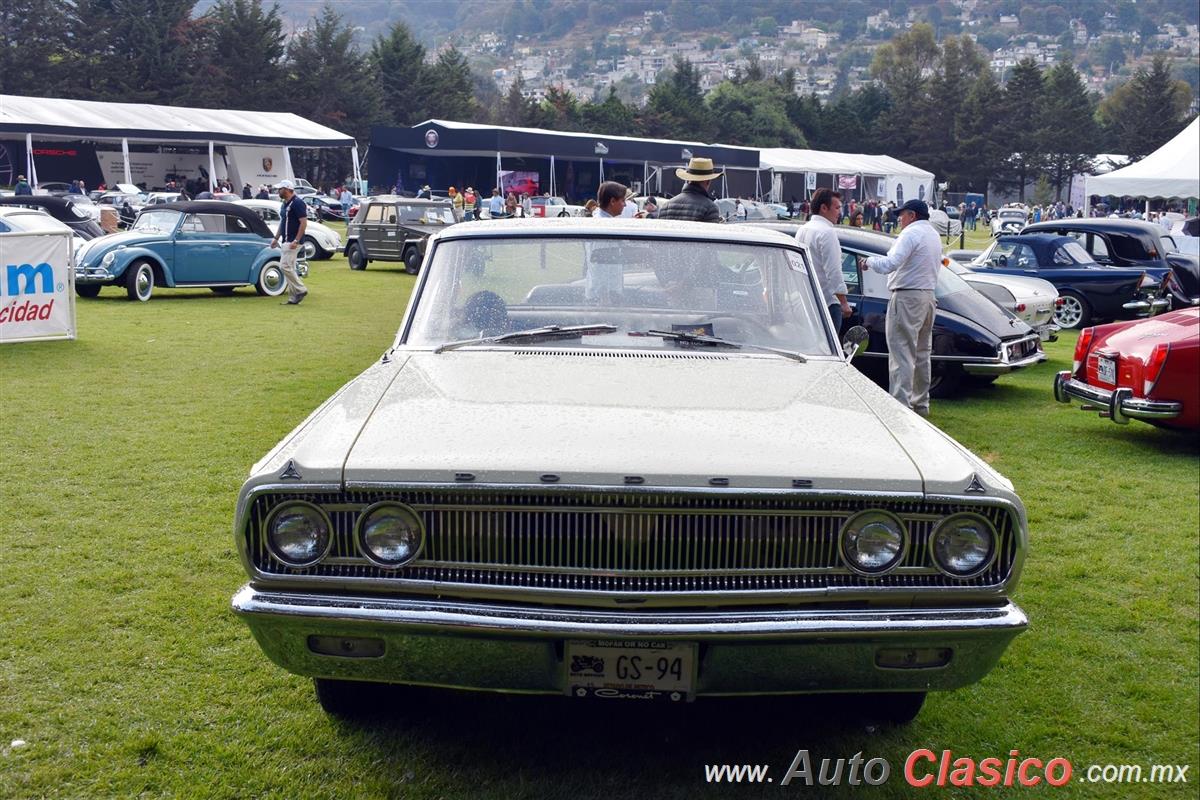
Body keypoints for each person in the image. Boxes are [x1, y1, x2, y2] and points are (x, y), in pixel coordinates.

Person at [857, 198, 943, 417]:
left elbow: (890, 263)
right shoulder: (933, 235)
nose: (899, 219)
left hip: (907, 296)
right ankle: (921, 404)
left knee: (901, 353)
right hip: (928, 295)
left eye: (902, 215)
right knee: (922, 353)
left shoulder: (911, 233)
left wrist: (869, 261)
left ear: (912, 215)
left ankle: (901, 406)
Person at [795, 188, 852, 333]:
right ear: (824, 208)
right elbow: (833, 271)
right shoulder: (827, 232)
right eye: (837, 207)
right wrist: (844, 303)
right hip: (827, 303)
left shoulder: (803, 229)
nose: (840, 212)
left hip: (804, 300)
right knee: (829, 353)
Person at [270, 179, 309, 305]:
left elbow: (303, 223)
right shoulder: (285, 204)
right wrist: (276, 238)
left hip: (293, 241)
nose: (278, 191)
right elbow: (283, 222)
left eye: (280, 189)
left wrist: (296, 240)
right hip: (287, 240)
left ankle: (301, 289)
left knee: (284, 266)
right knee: (289, 267)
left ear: (287, 189)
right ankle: (294, 297)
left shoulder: (297, 203)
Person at [656, 156, 722, 223]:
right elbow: (709, 233)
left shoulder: (666, 206)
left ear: (688, 178)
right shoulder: (710, 208)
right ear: (708, 181)